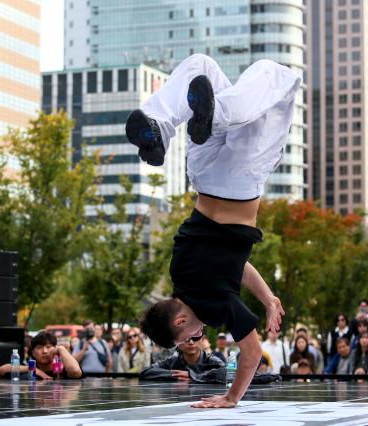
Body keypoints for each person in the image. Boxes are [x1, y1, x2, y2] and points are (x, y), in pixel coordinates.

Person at [137, 55, 299, 408]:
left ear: (181, 320)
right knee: (202, 66)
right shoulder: (181, 275)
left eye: (185, 337)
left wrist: (230, 397)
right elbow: (235, 265)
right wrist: (268, 298)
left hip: (239, 181)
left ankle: (218, 113)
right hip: (203, 178)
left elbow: (252, 352)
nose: (196, 337)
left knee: (280, 79)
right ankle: (160, 123)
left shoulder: (214, 308)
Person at [0, 331, 82, 380]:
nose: (44, 351)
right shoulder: (30, 368)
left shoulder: (63, 369)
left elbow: (75, 372)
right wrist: (33, 369)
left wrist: (61, 349)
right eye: (39, 347)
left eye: (48, 347)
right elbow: (2, 370)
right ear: (33, 352)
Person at [140, 335, 225, 383]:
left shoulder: (212, 361)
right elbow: (145, 372)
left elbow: (227, 374)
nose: (191, 342)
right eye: (186, 338)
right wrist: (173, 375)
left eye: (195, 338)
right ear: (177, 343)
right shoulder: (172, 362)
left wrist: (192, 375)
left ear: (202, 340)